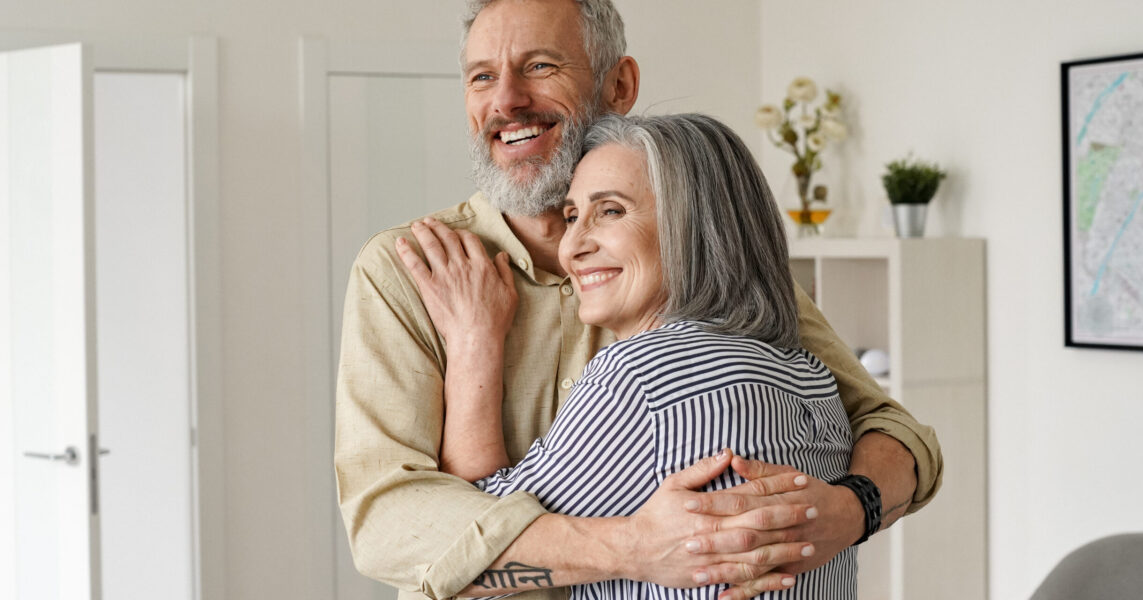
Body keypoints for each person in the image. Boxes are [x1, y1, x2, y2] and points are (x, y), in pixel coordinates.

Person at [334, 0, 942, 598]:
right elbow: (387, 523)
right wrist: (633, 548)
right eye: (482, 77)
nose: (506, 100)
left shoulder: (707, 274)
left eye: (540, 66)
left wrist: (849, 510)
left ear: (619, 83)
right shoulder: (405, 271)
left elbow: (892, 430)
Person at [418, 112, 860, 599]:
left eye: (609, 211)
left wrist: (472, 341)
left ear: (693, 227)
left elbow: (472, 550)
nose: (572, 246)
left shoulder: (640, 377)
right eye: (571, 216)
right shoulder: (813, 377)